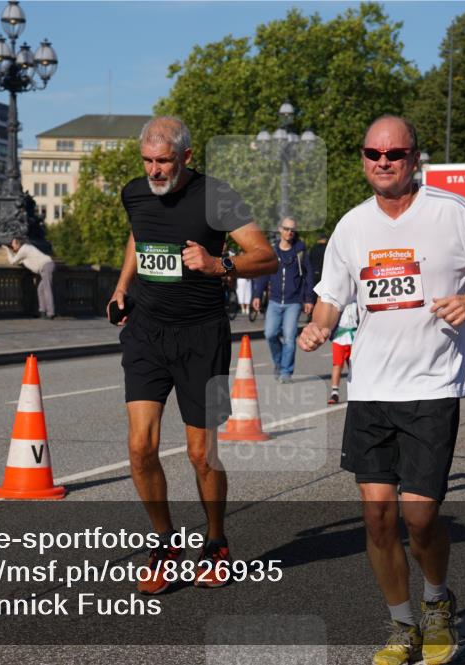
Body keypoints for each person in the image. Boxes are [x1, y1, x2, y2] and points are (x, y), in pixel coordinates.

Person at [298, 115, 465, 665]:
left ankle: (437, 599)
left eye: (394, 154)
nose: (383, 162)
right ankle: (403, 626)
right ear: (362, 159)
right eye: (373, 153)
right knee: (377, 518)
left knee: (420, 517)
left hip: (430, 385)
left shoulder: (450, 212)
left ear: (413, 158)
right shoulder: (351, 226)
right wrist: (321, 323)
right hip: (372, 388)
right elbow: (333, 292)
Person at [110, 116, 276, 595]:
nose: (154, 171)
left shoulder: (216, 196)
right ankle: (165, 545)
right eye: (147, 161)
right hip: (146, 333)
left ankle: (216, 542)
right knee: (140, 446)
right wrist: (122, 288)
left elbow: (266, 256)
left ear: (186, 156)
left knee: (201, 455)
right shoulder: (134, 192)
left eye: (163, 162)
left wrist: (216, 263)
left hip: (201, 336)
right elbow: (139, 237)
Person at [251, 217, 315, 382]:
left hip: (293, 302)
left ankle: (286, 371)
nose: (289, 232)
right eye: (286, 229)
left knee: (289, 337)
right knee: (270, 334)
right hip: (274, 301)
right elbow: (264, 275)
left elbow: (308, 277)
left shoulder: (300, 251)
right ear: (280, 229)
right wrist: (257, 295)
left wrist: (309, 299)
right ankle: (279, 363)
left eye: (292, 230)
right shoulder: (272, 252)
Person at [3, 237, 56, 319]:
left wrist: (7, 250)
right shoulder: (26, 249)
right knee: (41, 289)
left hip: (46, 266)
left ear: (18, 244)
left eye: (12, 244)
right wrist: (11, 250)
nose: (11, 246)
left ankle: (50, 313)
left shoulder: (24, 249)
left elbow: (12, 261)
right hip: (46, 267)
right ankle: (42, 311)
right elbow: (18, 260)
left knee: (47, 289)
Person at [328, 300, 358, 404]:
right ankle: (334, 392)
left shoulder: (358, 298)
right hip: (339, 337)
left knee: (354, 367)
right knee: (337, 364)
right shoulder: (338, 300)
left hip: (354, 337)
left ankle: (355, 392)